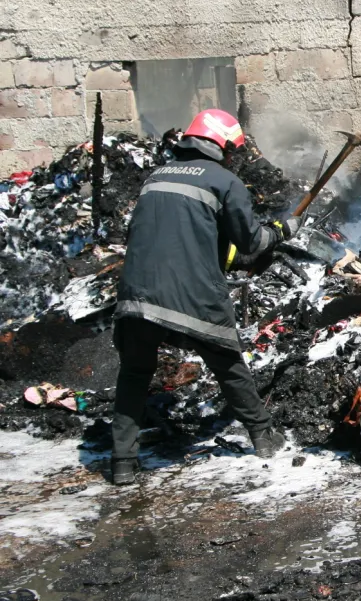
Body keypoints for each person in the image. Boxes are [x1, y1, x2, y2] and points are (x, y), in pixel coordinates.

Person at [110, 109, 301, 485]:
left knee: (133, 373)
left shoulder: (156, 177)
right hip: (192, 293)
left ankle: (122, 463)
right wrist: (282, 230)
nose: (232, 158)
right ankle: (263, 436)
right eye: (232, 151)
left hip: (135, 293)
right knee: (227, 362)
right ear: (223, 146)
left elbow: (154, 234)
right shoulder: (224, 181)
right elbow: (251, 242)